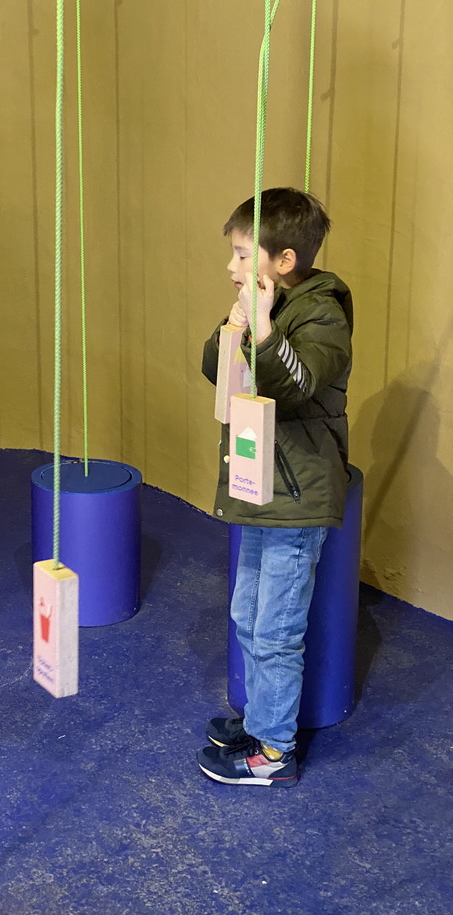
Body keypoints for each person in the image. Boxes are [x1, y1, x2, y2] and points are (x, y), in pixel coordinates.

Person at [198, 187, 353, 787]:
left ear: (283, 261)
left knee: (276, 630)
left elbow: (298, 383)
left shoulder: (322, 314)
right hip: (264, 487)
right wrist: (235, 324)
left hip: (298, 498)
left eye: (242, 255)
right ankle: (262, 720)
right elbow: (217, 370)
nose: (231, 267)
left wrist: (261, 330)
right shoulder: (267, 306)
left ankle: (274, 753)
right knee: (247, 615)